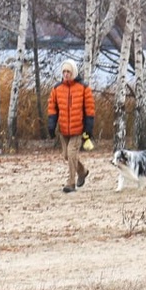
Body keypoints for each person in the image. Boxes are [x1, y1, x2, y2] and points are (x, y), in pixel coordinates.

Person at [46, 59, 95, 193]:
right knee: (67, 155)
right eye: (64, 72)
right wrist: (51, 126)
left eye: (68, 71)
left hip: (78, 129)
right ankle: (82, 171)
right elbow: (52, 108)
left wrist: (88, 129)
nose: (66, 74)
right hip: (63, 130)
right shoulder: (57, 89)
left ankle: (71, 183)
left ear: (73, 72)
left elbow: (90, 110)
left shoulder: (84, 88)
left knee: (72, 154)